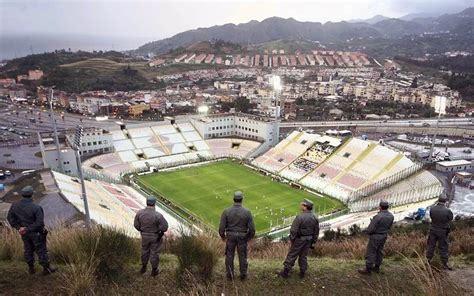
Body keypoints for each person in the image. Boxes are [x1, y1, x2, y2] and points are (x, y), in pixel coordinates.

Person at [7, 186, 57, 275]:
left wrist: (19, 228)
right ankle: (46, 268)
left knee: (28, 249)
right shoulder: (36, 207)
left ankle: (31, 268)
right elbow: (39, 223)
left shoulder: (14, 205)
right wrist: (27, 228)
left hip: (24, 233)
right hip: (36, 233)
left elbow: (10, 218)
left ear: (22, 195)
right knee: (41, 250)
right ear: (32, 195)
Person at [278, 199, 319, 279]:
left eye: (302, 205)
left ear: (305, 207)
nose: (301, 206)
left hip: (299, 239)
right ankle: (302, 272)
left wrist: (292, 239)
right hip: (309, 240)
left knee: (292, 255)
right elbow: (316, 231)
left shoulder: (300, 217)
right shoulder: (314, 217)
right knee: (303, 256)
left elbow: (293, 230)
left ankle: (285, 272)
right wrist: (313, 241)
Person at [219, 191, 255, 281]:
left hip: (230, 236)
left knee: (229, 255)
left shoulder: (226, 211)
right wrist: (248, 238)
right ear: (242, 199)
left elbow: (221, 228)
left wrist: (223, 237)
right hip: (242, 236)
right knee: (242, 256)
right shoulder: (247, 212)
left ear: (233, 199)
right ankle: (243, 274)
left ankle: (230, 274)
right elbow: (252, 229)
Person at [134, 196, 169, 277]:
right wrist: (159, 230)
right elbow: (165, 227)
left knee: (144, 251)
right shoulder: (158, 215)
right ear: (154, 203)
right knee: (154, 253)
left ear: (147, 202)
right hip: (155, 236)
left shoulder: (140, 213)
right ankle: (154, 270)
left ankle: (143, 267)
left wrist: (142, 231)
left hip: (144, 235)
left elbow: (136, 225)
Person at [358, 200, 394, 275]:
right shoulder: (391, 216)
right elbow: (390, 226)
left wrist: (368, 232)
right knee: (379, 251)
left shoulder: (378, 217)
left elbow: (371, 228)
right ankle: (377, 267)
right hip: (384, 235)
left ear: (380, 207)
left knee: (371, 252)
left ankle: (368, 269)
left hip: (376, 236)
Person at [426, 195, 454, 270]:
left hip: (433, 229)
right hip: (442, 231)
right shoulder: (447, 211)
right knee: (443, 247)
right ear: (445, 201)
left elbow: (431, 217)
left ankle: (428, 261)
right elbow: (450, 218)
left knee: (431, 246)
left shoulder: (432, 209)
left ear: (438, 200)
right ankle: (444, 263)